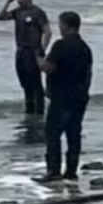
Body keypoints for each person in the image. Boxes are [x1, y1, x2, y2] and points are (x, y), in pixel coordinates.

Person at [39, 11, 93, 182]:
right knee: (73, 134)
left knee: (53, 133)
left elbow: (48, 68)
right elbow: (88, 73)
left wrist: (37, 59)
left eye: (60, 23)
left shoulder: (61, 45)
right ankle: (71, 170)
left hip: (62, 97)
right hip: (79, 97)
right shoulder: (84, 47)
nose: (59, 27)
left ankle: (53, 170)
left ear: (66, 25)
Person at [0, 0, 51, 116]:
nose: (18, 0)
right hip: (21, 51)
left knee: (35, 83)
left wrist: (42, 49)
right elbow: (1, 17)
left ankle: (39, 111)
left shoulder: (38, 12)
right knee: (24, 82)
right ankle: (29, 109)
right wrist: (8, 2)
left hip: (33, 51)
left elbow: (47, 31)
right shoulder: (18, 12)